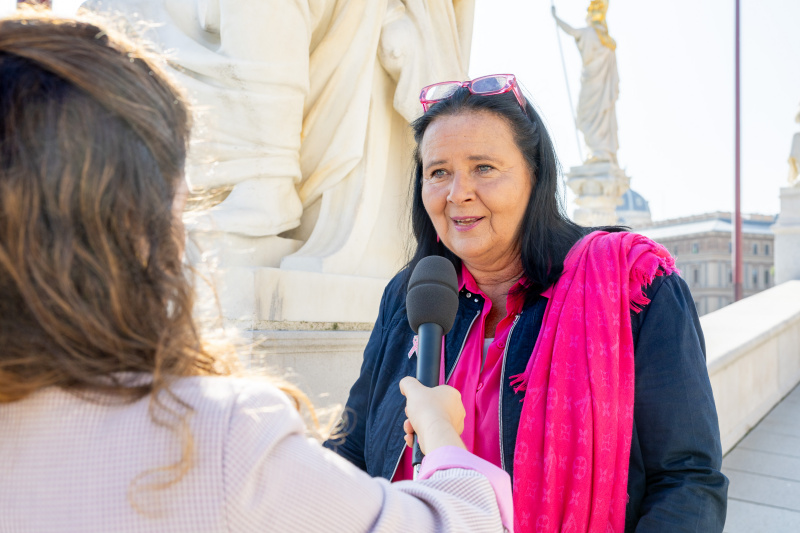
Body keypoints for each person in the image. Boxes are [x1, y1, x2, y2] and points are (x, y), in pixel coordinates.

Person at [0, 10, 513, 532]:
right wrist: (440, 432)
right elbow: (463, 522)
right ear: (144, 226)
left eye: (484, 169)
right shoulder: (217, 443)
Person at [324, 74, 729, 532]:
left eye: (484, 168)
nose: (457, 193)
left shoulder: (636, 286)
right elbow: (351, 450)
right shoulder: (408, 296)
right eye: (438, 172)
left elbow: (688, 481)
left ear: (535, 177)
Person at [552, 1, 620, 164]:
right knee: (598, 114)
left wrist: (556, 17)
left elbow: (572, 31)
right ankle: (599, 150)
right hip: (600, 85)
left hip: (592, 83)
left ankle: (599, 151)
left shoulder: (590, 33)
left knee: (587, 115)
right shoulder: (607, 42)